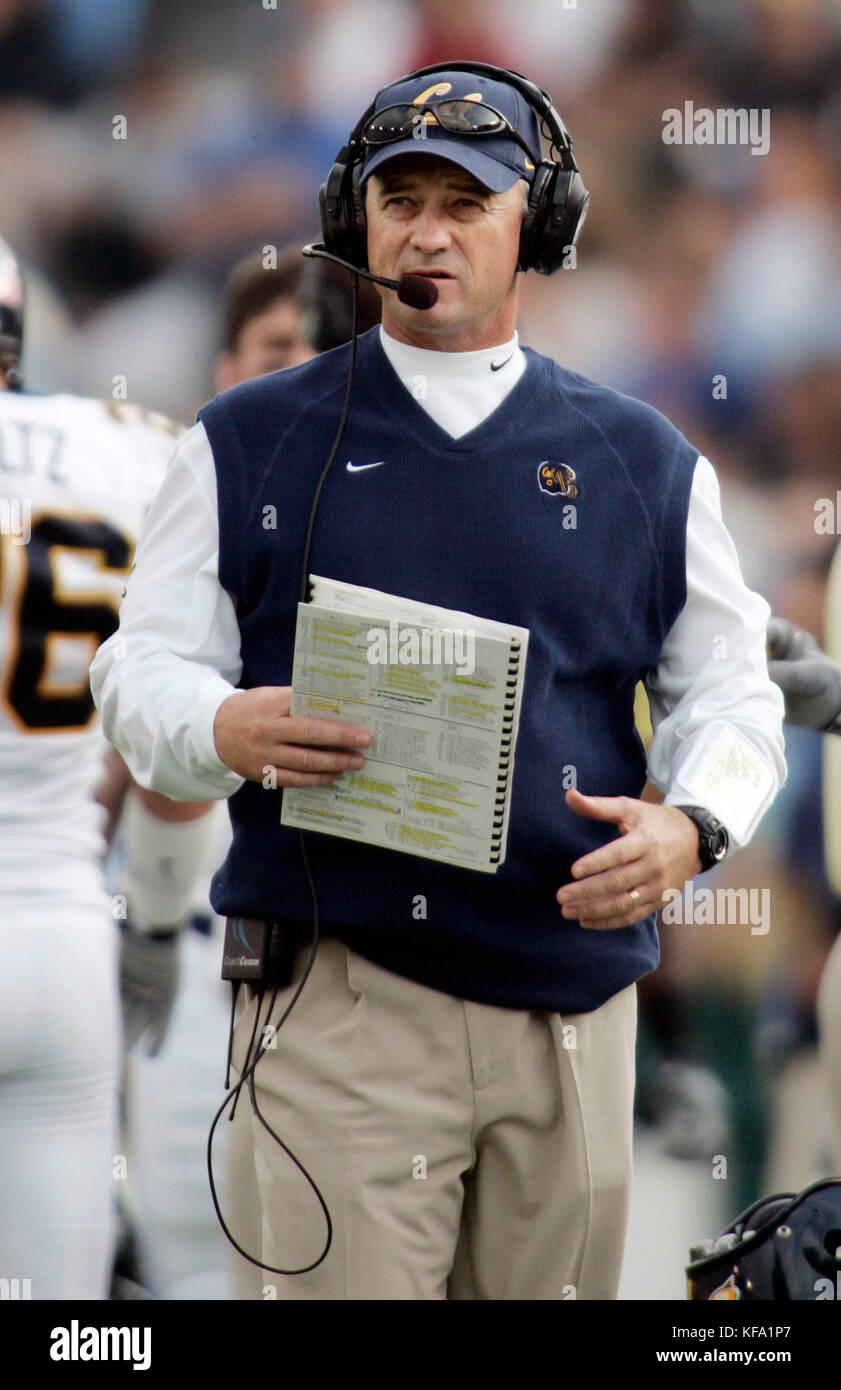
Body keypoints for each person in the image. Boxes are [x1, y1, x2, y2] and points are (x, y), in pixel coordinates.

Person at [90, 63, 786, 1301]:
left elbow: (735, 696)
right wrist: (222, 723)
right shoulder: (247, 437)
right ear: (352, 215)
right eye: (399, 195)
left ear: (540, 223)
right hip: (338, 1001)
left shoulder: (645, 461)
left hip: (570, 1013)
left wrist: (694, 826)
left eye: (466, 200)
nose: (426, 228)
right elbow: (134, 671)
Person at [0, 235, 218, 1299]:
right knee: (66, 1313)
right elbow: (179, 731)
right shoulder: (129, 447)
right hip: (64, 937)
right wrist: (160, 917)